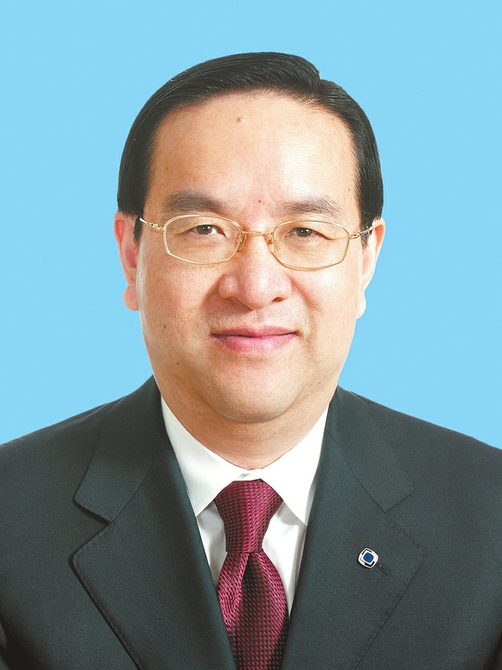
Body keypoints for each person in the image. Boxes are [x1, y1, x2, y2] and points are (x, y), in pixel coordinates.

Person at [0, 52, 501, 670]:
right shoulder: (10, 522)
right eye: (203, 229)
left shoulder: (489, 521)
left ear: (367, 258)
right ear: (132, 255)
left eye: (306, 232)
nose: (256, 286)